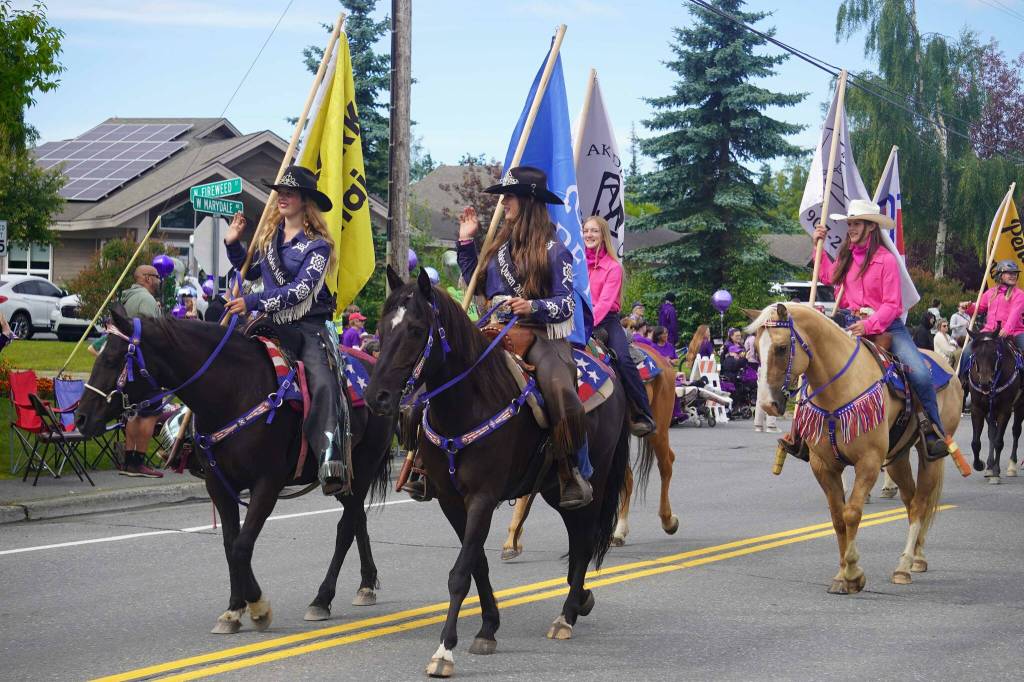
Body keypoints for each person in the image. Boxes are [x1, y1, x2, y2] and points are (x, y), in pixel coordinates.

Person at [457, 166, 591, 509]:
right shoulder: (498, 245)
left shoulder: (554, 249)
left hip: (538, 335)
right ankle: (426, 462)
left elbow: (565, 304)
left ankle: (569, 468)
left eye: (509, 197)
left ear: (529, 201)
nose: (504, 204)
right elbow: (476, 281)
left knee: (561, 389)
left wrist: (532, 306)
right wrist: (466, 240)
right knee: (445, 367)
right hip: (493, 330)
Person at [224, 164, 350, 495]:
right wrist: (233, 243)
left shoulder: (318, 246)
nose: (282, 198)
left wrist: (252, 303)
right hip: (271, 323)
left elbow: (300, 292)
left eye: (290, 193)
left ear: (305, 200)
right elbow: (249, 271)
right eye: (280, 192)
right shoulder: (268, 238)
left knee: (323, 384)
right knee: (221, 360)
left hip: (308, 328)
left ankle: (330, 457)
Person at [813, 198, 948, 458]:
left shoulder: (886, 260)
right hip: (850, 323)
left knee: (918, 372)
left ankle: (933, 431)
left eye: (856, 224)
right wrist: (816, 244)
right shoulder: (845, 255)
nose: (851, 228)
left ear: (871, 228)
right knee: (815, 357)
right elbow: (827, 276)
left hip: (887, 327)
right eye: (849, 223)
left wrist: (869, 324)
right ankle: (803, 430)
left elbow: (893, 304)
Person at [582, 214, 656, 436]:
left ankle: (643, 413)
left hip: (605, 321)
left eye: (594, 231)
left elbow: (604, 303)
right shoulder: (576, 265)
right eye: (586, 230)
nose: (589, 235)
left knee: (623, 359)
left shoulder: (613, 267)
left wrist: (586, 323)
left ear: (603, 235)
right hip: (579, 321)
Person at [118, 264, 164, 478]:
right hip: (145, 365)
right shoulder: (145, 300)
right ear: (146, 278)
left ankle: (129, 461)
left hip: (129, 366)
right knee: (150, 414)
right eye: (156, 276)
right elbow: (155, 331)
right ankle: (139, 461)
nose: (158, 280)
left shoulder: (127, 297)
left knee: (133, 413)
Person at [959, 259, 1024, 367]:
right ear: (1000, 275)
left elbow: (1015, 314)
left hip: (1015, 332)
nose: (1013, 275)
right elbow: (979, 308)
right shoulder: (990, 292)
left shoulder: (1019, 294)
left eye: (1015, 273)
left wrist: (1006, 329)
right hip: (988, 333)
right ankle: (961, 381)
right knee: (966, 352)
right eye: (1009, 273)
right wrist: (969, 306)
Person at [745, 332, 779, 433]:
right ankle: (771, 424)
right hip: (771, 368)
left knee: (761, 395)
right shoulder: (769, 340)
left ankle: (758, 424)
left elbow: (753, 357)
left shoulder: (756, 340)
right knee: (772, 395)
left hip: (760, 368)